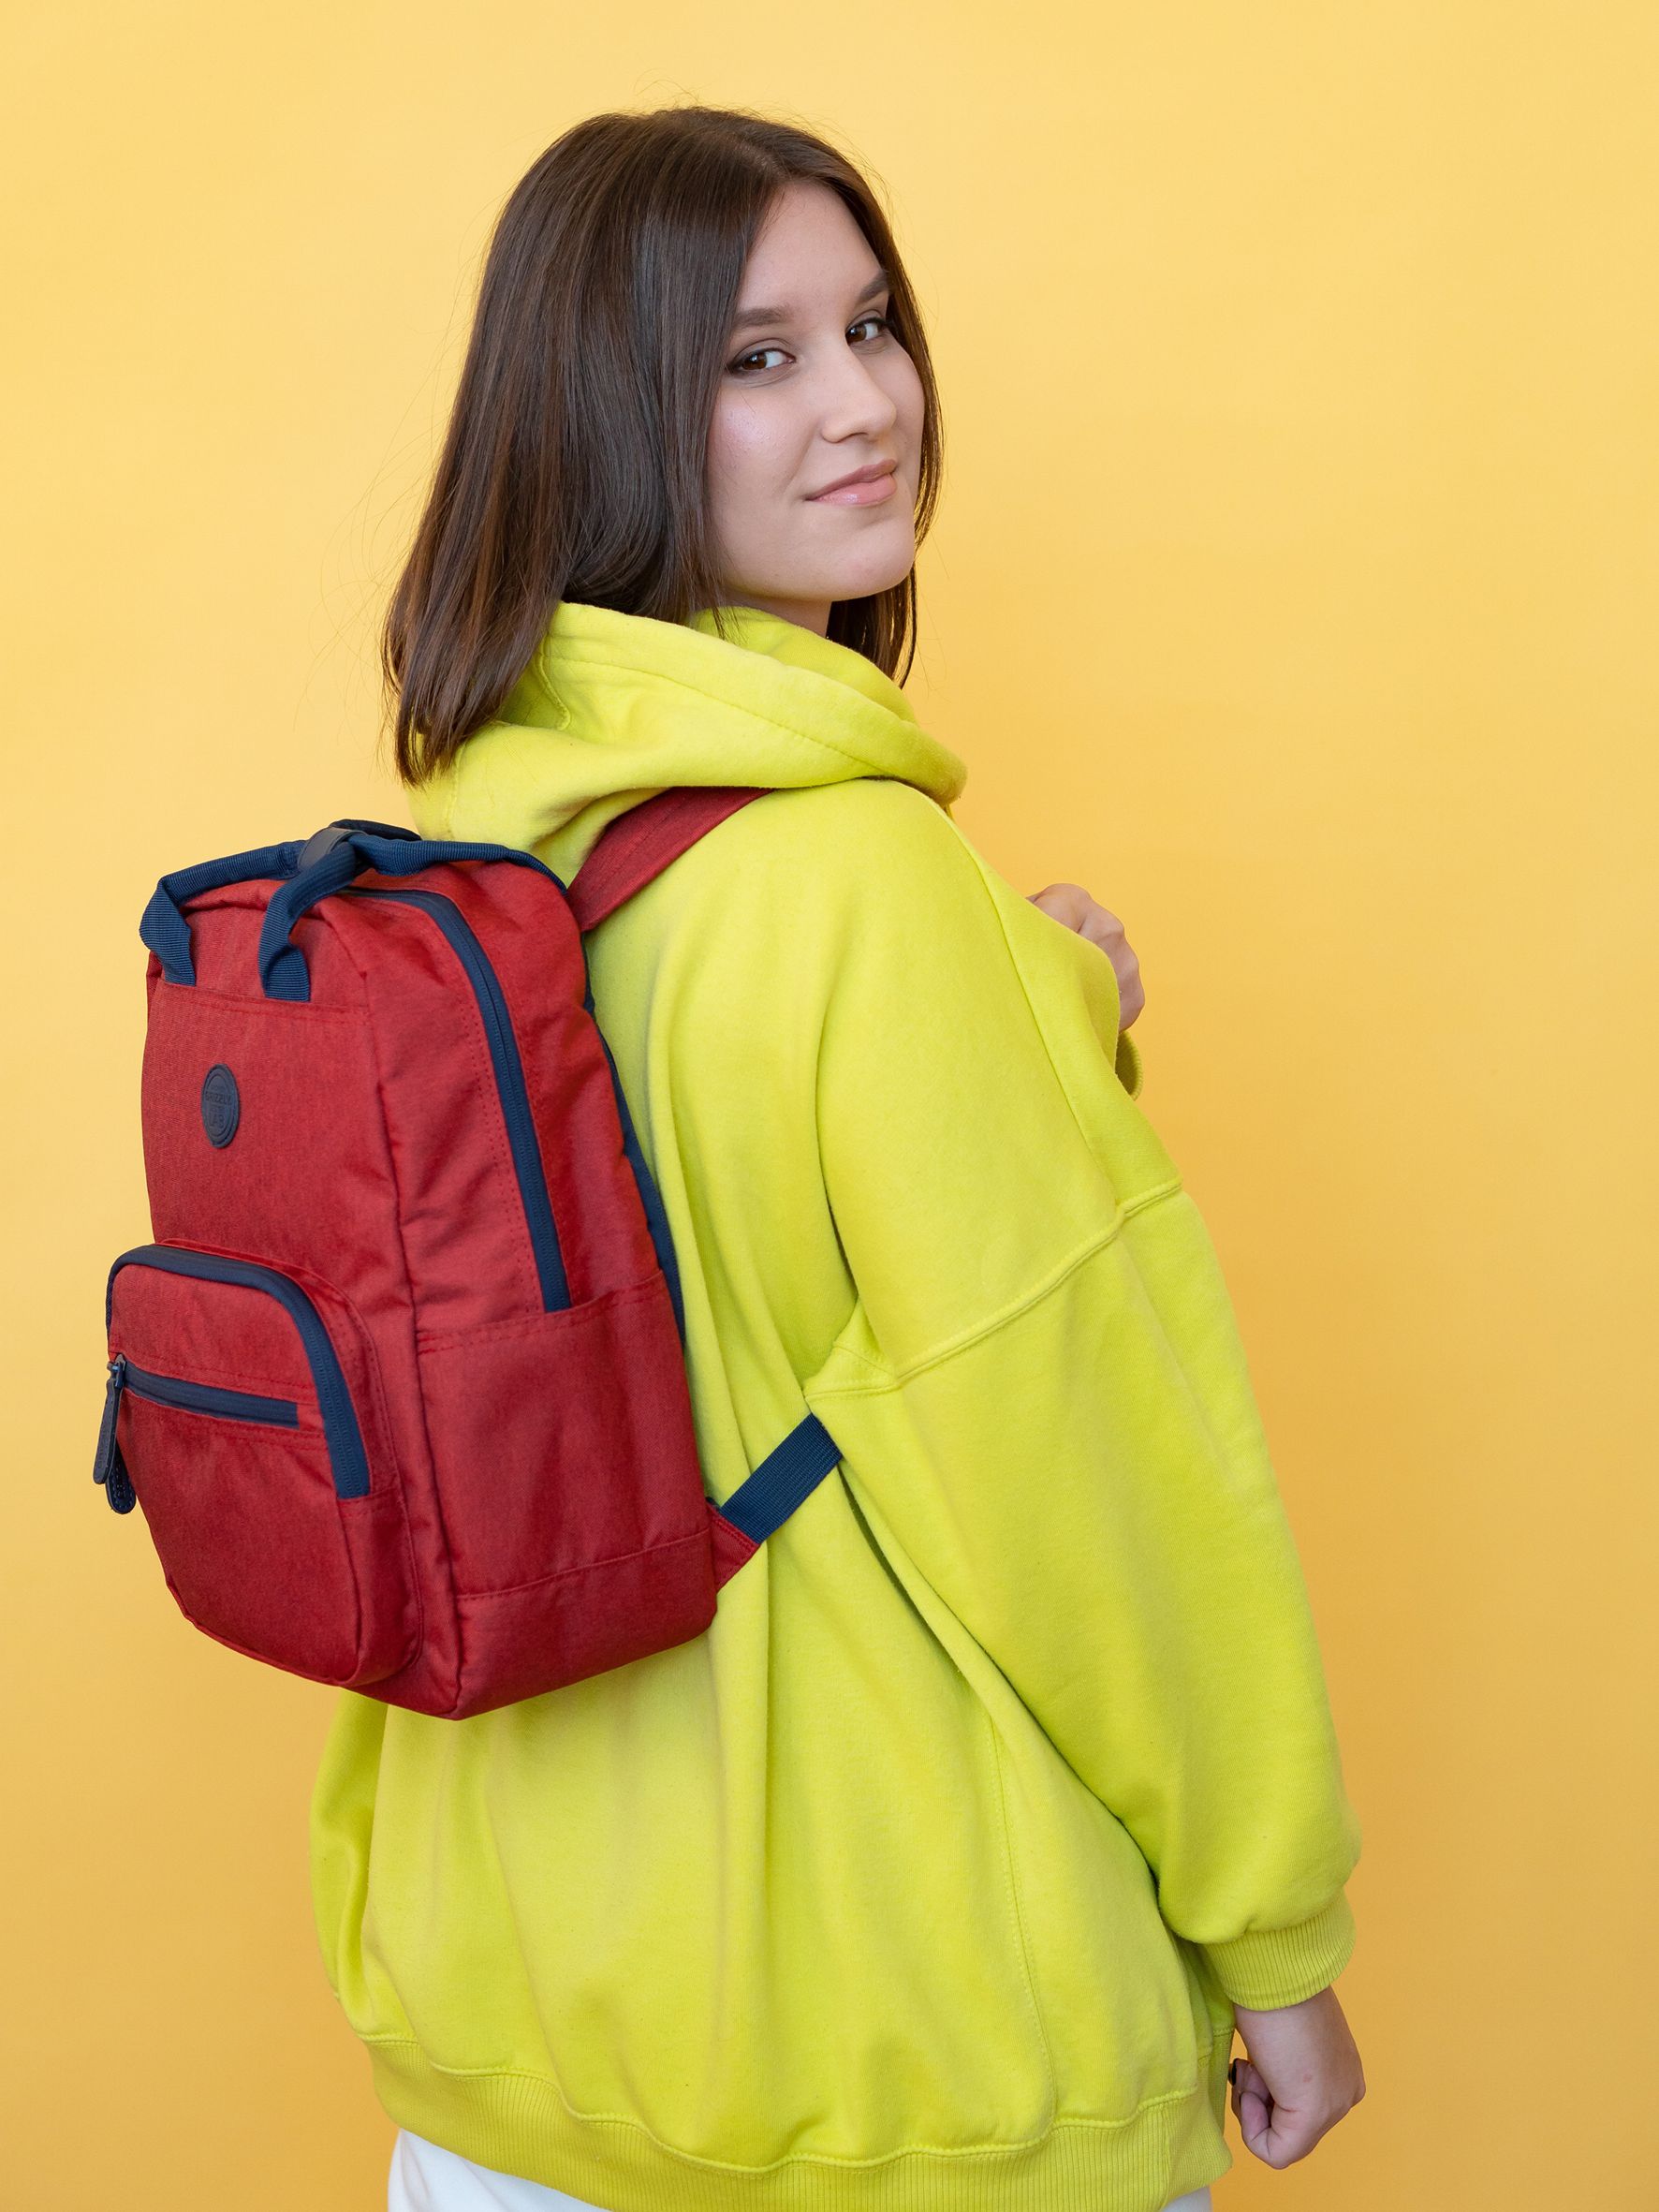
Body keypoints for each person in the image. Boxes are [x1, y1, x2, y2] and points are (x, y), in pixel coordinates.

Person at [308, 103, 1366, 2212]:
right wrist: (1280, 1942)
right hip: (888, 2056)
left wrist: (1020, 1022)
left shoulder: (467, 854)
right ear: (609, 414)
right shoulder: (870, 890)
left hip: (510, 2028)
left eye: (871, 326)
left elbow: (688, 1280)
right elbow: (1085, 1470)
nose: (869, 401)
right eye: (758, 357)